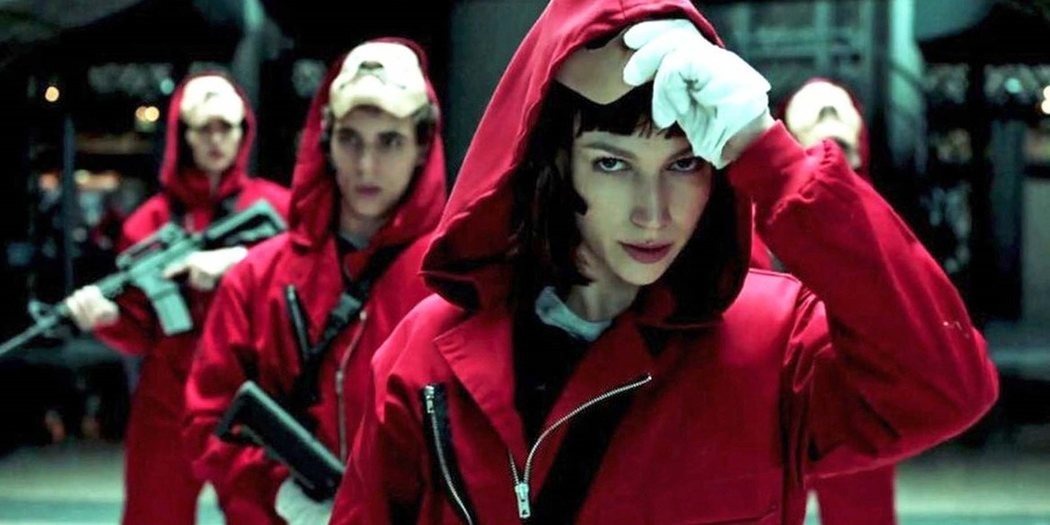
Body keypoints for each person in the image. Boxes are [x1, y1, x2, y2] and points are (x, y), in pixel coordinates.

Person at [330, 0, 998, 524]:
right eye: (612, 163)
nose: (653, 213)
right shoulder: (427, 357)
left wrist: (772, 156)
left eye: (683, 165)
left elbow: (946, 388)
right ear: (555, 163)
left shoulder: (776, 344)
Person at [183, 39, 446, 525]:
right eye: (351, 139)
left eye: (389, 141)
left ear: (422, 144)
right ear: (326, 138)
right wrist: (277, 491)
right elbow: (207, 420)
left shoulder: (454, 282)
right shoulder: (258, 277)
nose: (366, 166)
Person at [63, 73, 290, 525]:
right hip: (170, 394)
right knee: (154, 511)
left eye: (226, 127)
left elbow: (303, 283)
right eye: (204, 128)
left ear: (244, 132)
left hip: (254, 388)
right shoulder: (148, 223)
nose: (216, 140)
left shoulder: (277, 207)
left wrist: (239, 263)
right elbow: (140, 330)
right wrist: (107, 318)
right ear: (183, 134)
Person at [775, 77, 898, 525]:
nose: (828, 115)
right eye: (815, 110)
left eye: (837, 109)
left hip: (857, 395)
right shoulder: (756, 220)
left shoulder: (884, 228)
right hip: (775, 395)